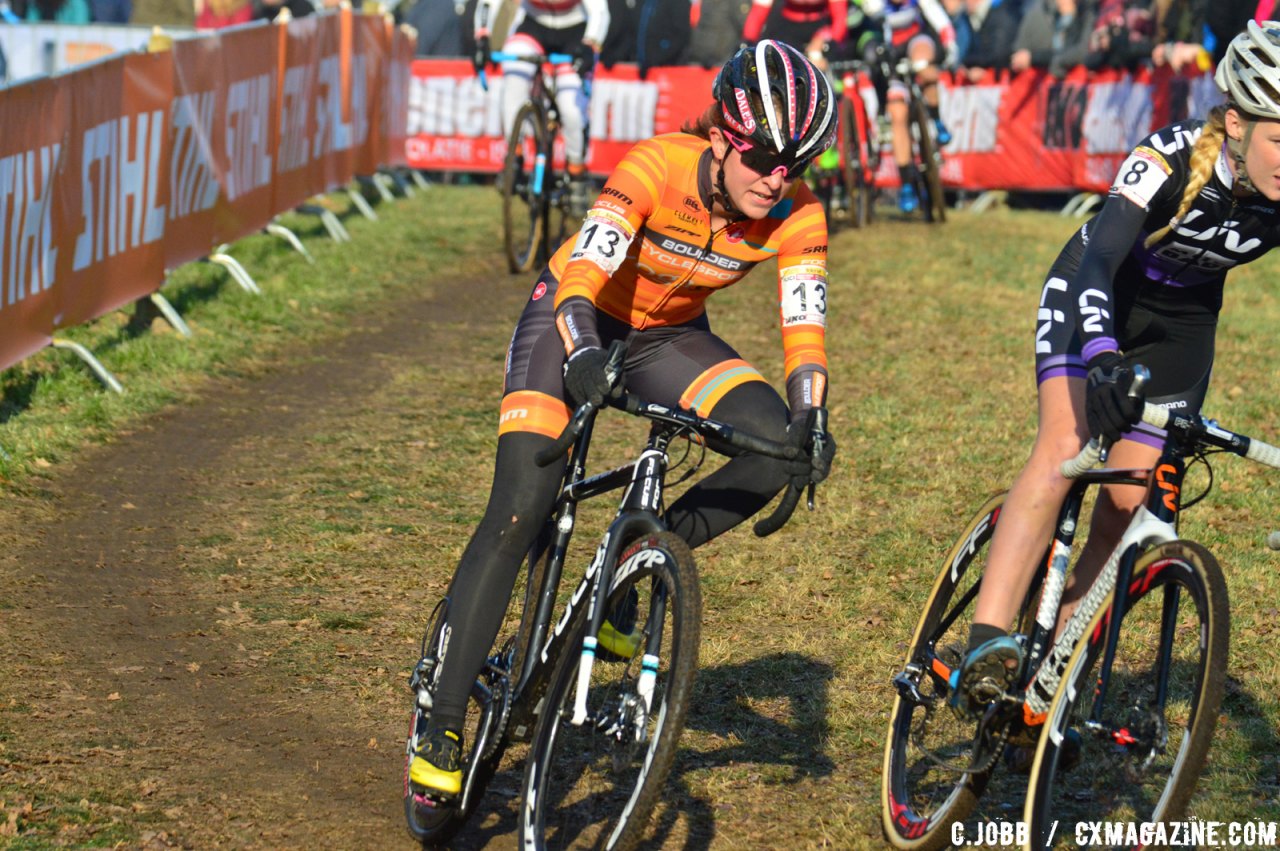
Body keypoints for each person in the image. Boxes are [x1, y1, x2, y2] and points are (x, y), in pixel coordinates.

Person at [407, 38, 839, 798]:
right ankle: (442, 715)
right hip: (575, 318)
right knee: (521, 508)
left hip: (670, 336)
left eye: (795, 163)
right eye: (767, 156)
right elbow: (581, 278)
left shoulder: (799, 213)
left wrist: (812, 414)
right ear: (723, 138)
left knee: (775, 445)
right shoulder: (656, 165)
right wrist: (578, 351)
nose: (779, 178)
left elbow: (805, 328)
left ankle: (632, 565)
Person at [951, 20, 1280, 733]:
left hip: (1182, 328)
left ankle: (1046, 674)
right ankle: (986, 640)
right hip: (1096, 293)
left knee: (1127, 504)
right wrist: (1100, 356)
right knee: (1066, 443)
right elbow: (1099, 260)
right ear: (1236, 123)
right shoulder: (1166, 158)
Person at [473, 0, 610, 216]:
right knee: (514, 81)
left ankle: (576, 173)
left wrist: (591, 43)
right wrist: (482, 37)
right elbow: (489, 3)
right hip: (532, 26)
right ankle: (513, 156)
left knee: (571, 110)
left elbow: (600, 10)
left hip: (576, 32)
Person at [842, 0, 958, 213]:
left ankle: (937, 119)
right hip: (890, 55)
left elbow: (941, 22)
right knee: (897, 114)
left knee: (925, 65)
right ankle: (906, 183)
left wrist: (950, 45)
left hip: (916, 42)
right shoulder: (875, 4)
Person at [743, 0, 849, 49]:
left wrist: (828, 40)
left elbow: (840, 17)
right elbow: (758, 15)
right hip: (787, 27)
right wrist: (747, 45)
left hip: (820, 25)